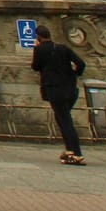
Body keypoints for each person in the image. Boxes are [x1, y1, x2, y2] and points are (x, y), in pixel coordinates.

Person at [30, 25, 86, 165]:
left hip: (55, 90)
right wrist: (74, 74)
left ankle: (76, 153)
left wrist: (36, 49)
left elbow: (35, 67)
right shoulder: (63, 48)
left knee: (65, 121)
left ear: (38, 37)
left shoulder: (40, 49)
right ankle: (69, 151)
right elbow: (81, 64)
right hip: (70, 89)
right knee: (62, 118)